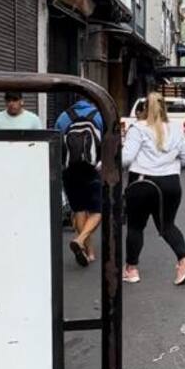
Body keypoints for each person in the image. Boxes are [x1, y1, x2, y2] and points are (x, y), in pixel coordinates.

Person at [122, 92, 185, 286]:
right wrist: (170, 163)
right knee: (167, 225)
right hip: (170, 184)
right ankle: (184, 261)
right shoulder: (175, 129)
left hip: (142, 182)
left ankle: (131, 269)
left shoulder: (138, 128)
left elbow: (126, 158)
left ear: (144, 108)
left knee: (136, 226)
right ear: (165, 108)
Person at [56, 97, 104, 267]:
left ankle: (88, 251)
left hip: (70, 171)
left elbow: (57, 143)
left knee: (79, 209)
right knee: (98, 211)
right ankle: (81, 239)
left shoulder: (63, 117)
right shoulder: (98, 115)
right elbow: (106, 142)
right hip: (92, 170)